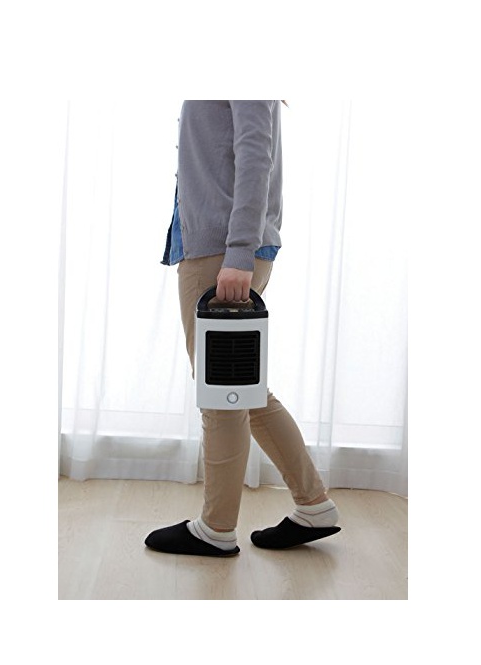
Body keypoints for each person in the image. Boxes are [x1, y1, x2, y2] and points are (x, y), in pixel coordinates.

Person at [145, 100, 340, 557]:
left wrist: (237, 253)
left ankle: (215, 529)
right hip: (225, 248)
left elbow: (256, 153)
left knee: (222, 394)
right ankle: (315, 506)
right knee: (244, 392)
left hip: (222, 253)